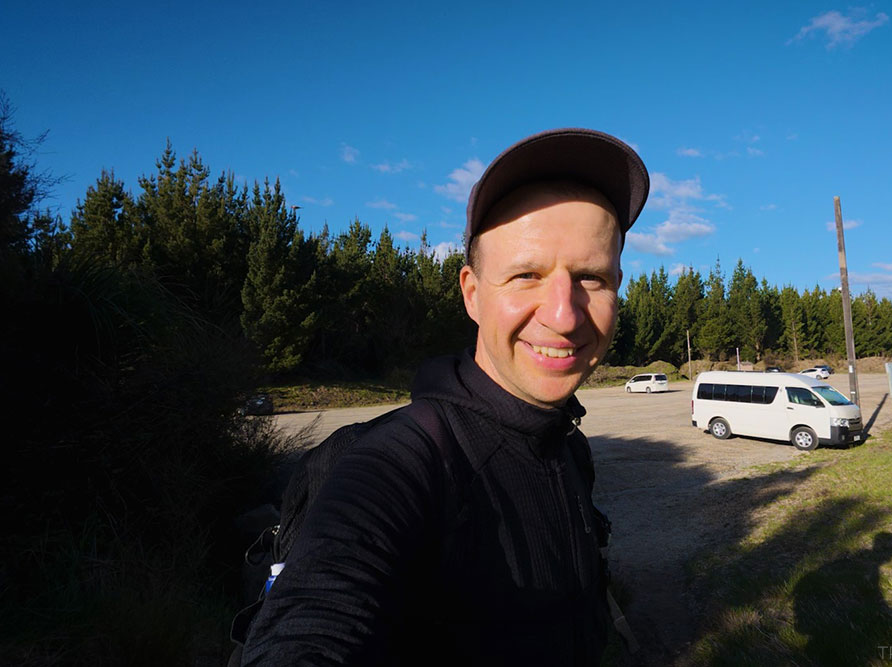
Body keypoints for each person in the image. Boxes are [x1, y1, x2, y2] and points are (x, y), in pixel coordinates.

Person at [240, 128, 650, 666]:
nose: (564, 314)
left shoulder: (569, 447)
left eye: (592, 278)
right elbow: (317, 619)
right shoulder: (398, 463)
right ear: (473, 294)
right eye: (526, 275)